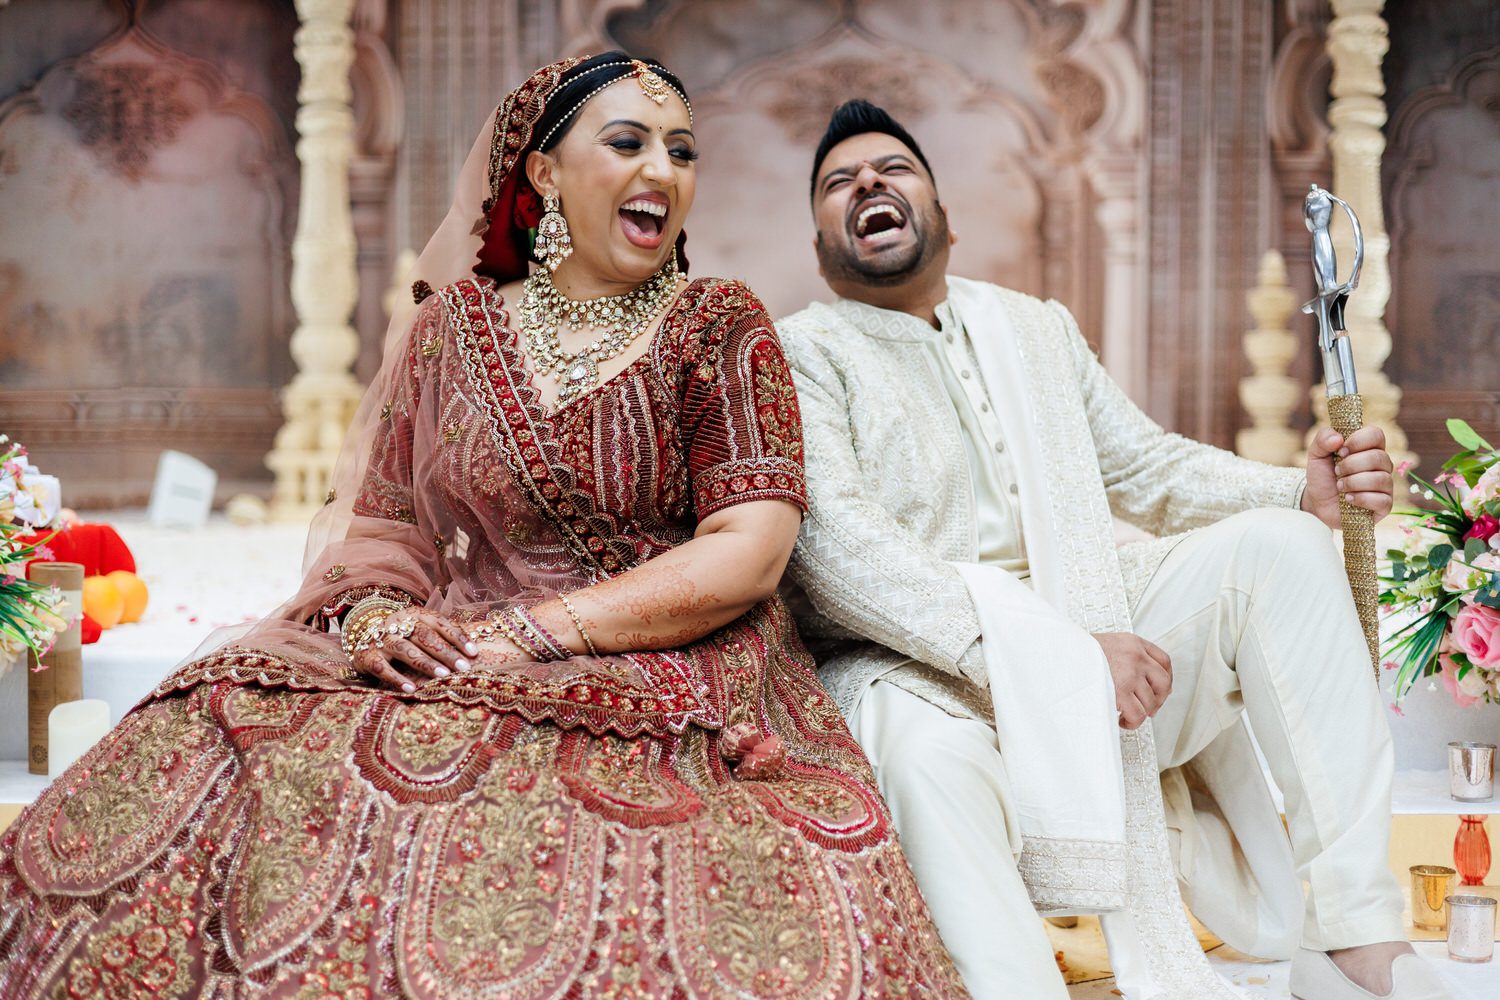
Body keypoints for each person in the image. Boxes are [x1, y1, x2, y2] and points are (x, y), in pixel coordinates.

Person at [0, 64, 967, 998]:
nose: (663, 173)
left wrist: (533, 636)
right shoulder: (448, 329)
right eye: (627, 143)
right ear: (542, 175)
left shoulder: (718, 321)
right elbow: (386, 534)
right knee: (226, 726)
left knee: (596, 836)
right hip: (461, 641)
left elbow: (748, 551)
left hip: (676, 657)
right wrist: (380, 619)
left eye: (681, 151)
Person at [777, 99, 1451, 1000]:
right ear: (822, 243)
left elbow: (1142, 464)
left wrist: (1299, 492)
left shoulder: (1034, 327)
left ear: (944, 212)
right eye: (837, 183)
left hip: (1095, 612)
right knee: (928, 760)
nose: (867, 183)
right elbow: (838, 554)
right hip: (918, 660)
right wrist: (1051, 655)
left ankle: (1353, 936)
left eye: (894, 169)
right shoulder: (799, 351)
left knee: (1282, 551)